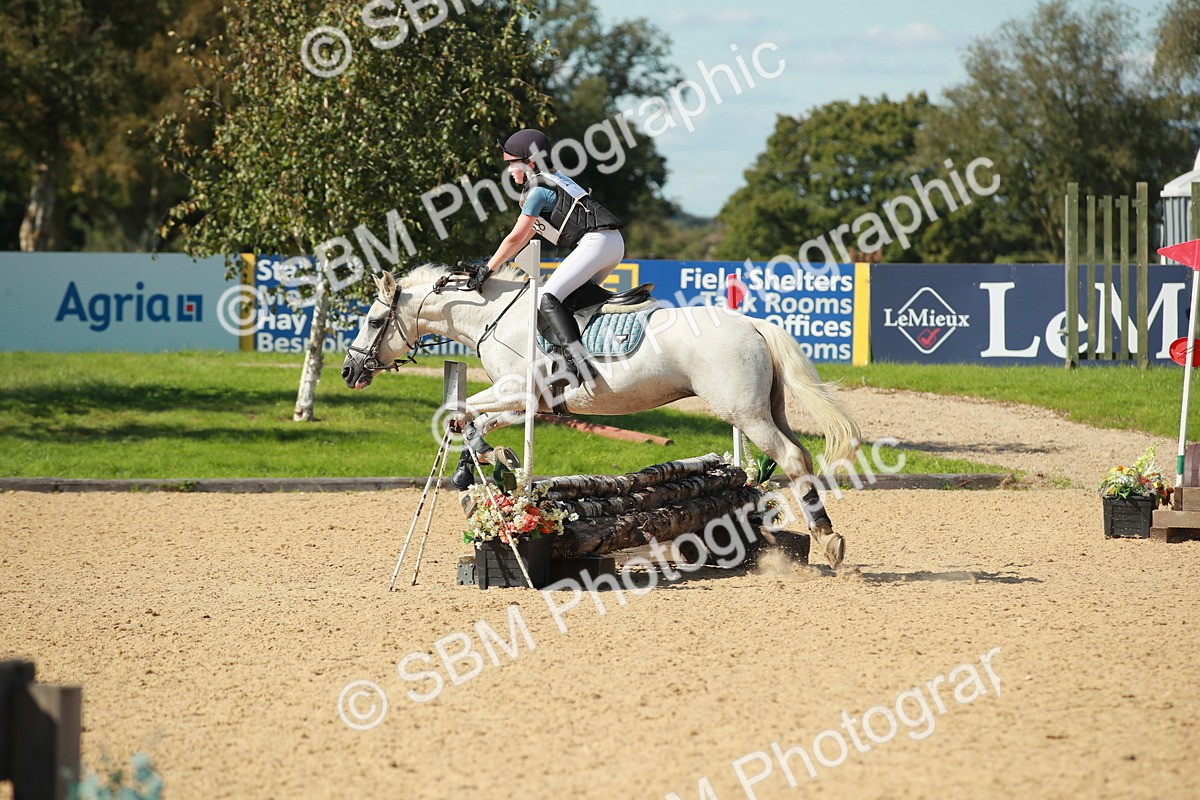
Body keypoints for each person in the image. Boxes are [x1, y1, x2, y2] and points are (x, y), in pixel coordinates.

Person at [468, 129, 624, 378]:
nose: (508, 171)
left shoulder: (539, 189)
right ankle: (585, 352)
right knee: (568, 301)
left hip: (596, 243)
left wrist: (488, 269)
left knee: (547, 297)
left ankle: (577, 364)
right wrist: (491, 263)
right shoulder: (554, 178)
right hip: (611, 243)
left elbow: (515, 237)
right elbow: (523, 238)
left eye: (511, 164)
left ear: (530, 163)